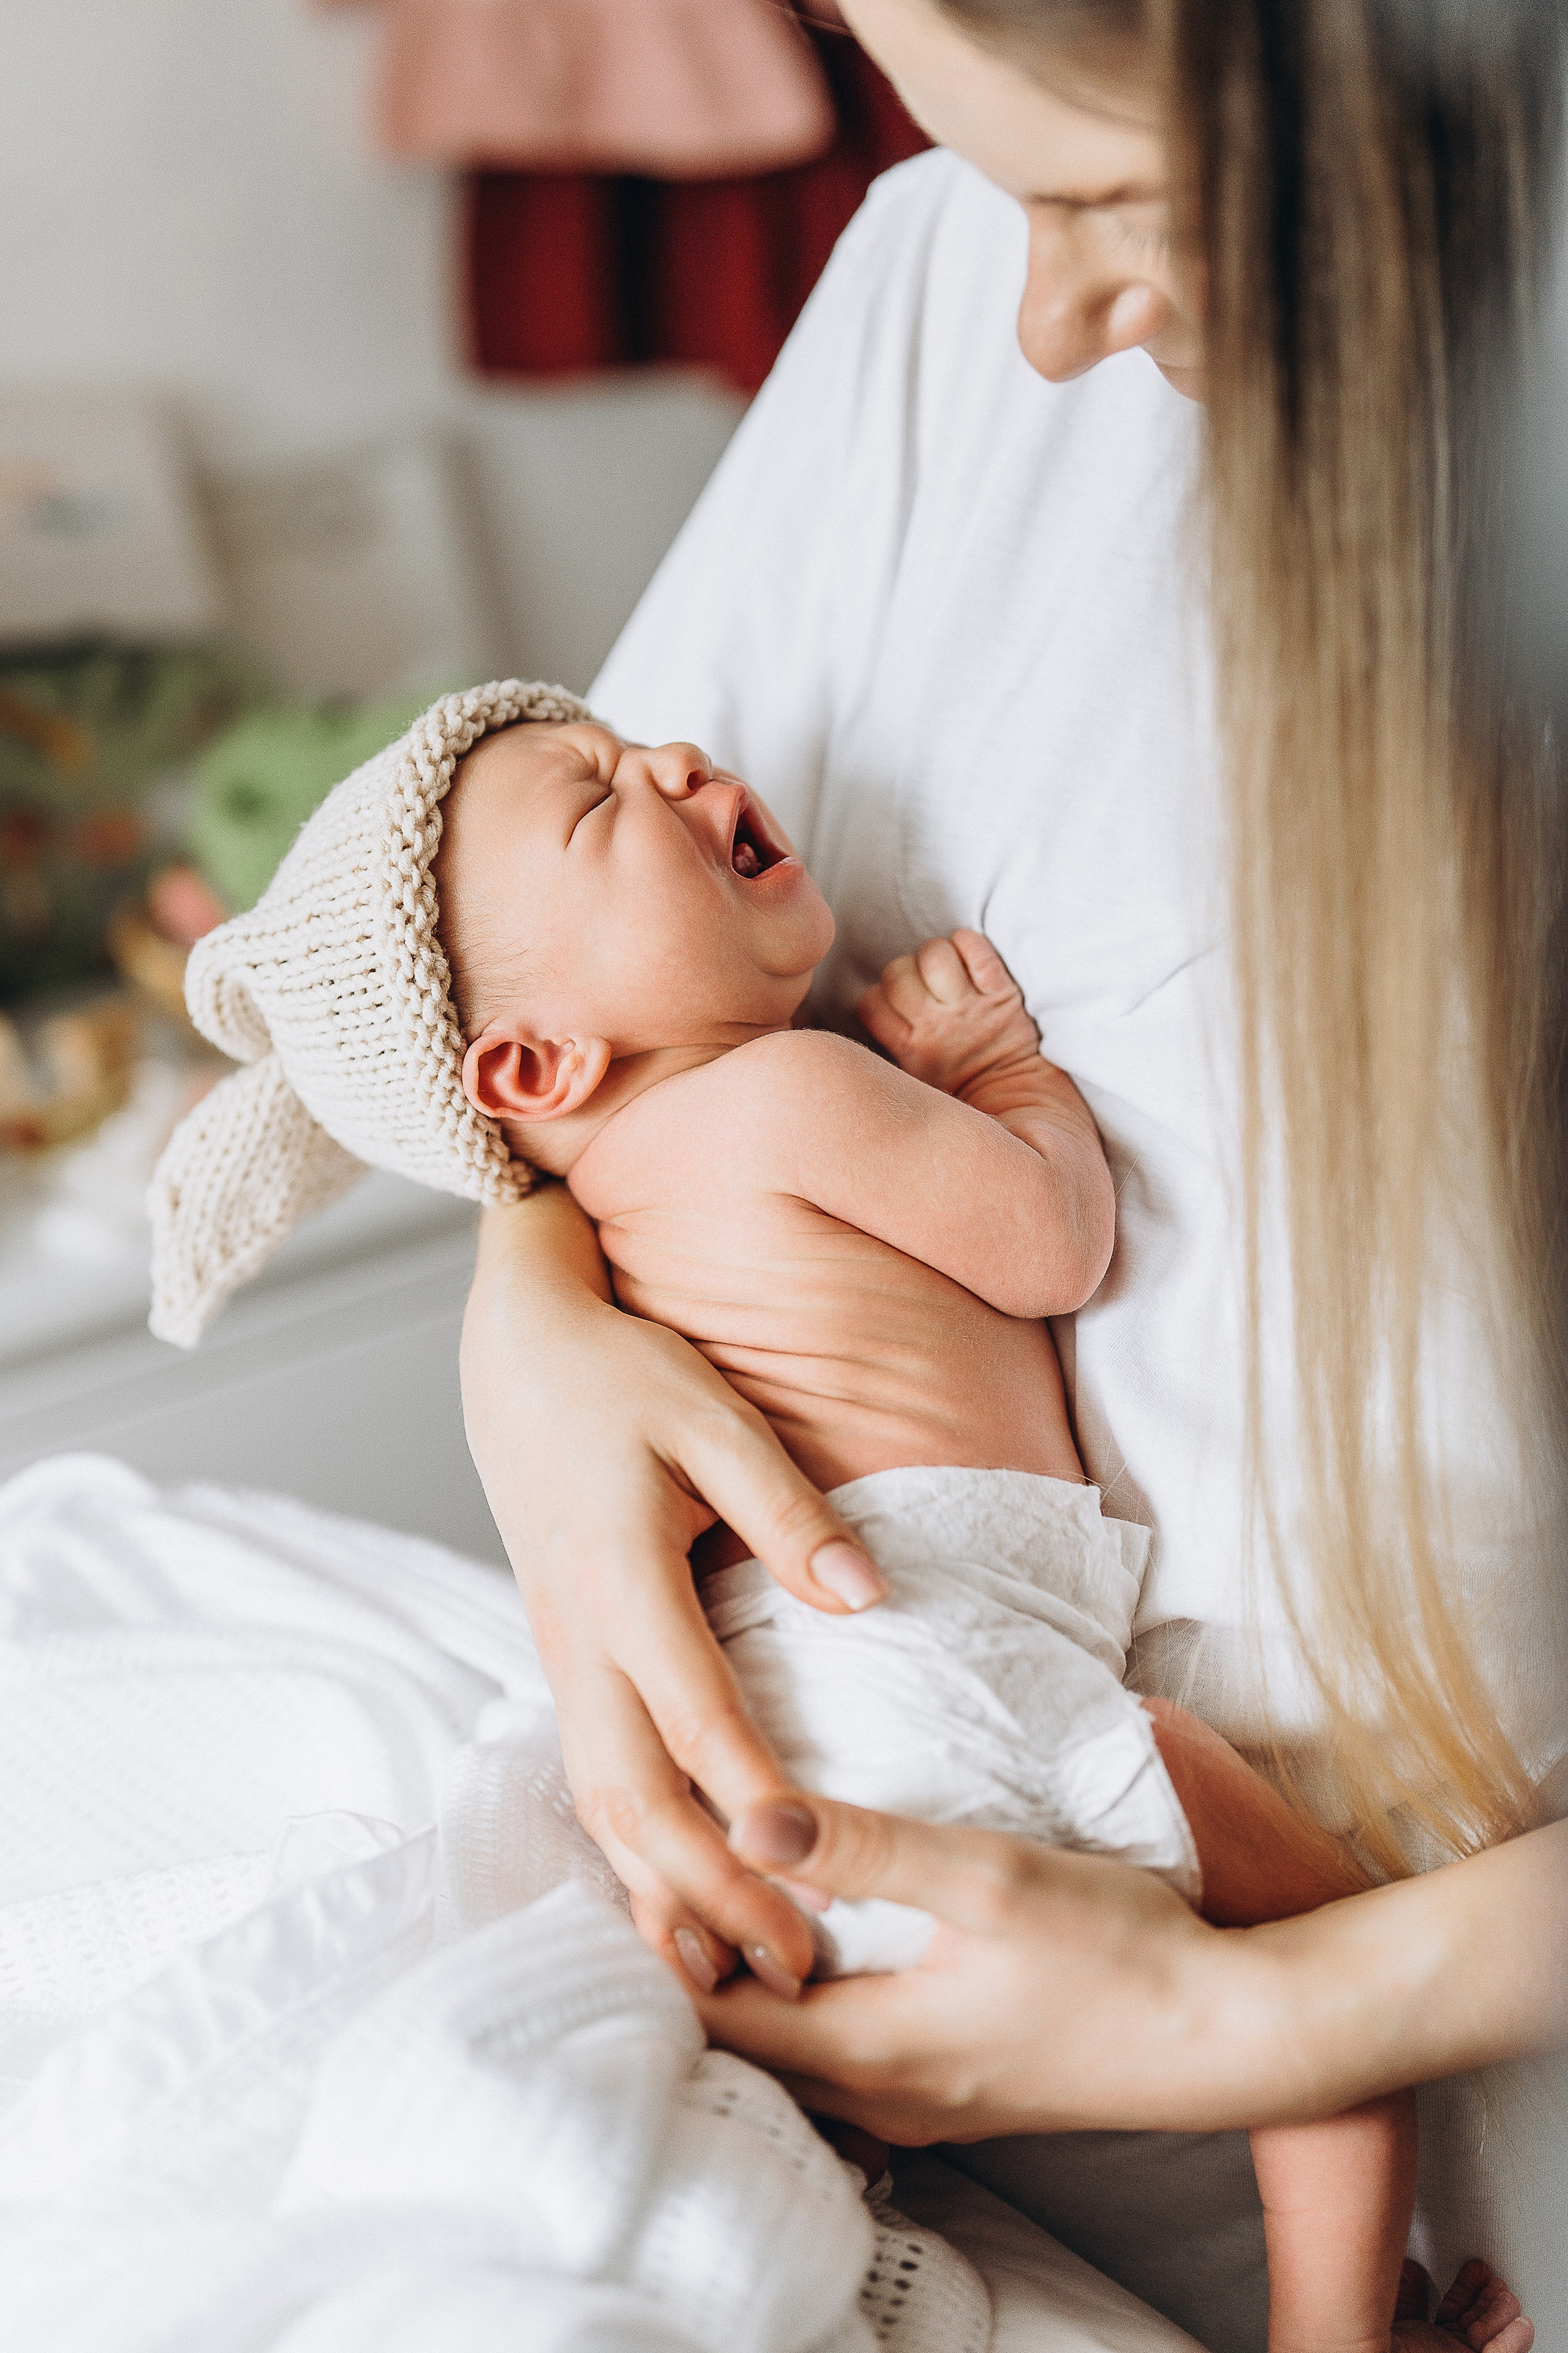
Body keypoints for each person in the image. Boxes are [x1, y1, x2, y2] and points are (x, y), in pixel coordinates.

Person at [454, 0, 1568, 2342]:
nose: (1043, 314)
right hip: (971, 1758)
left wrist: (1279, 2016)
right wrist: (529, 1327)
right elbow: (552, 1053)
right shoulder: (937, 273)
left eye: (1098, 196)